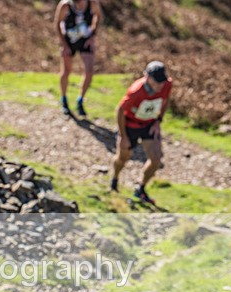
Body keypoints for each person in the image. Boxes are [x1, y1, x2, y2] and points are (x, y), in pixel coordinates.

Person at [110, 61, 173, 205]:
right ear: (147, 77)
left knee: (156, 159)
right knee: (123, 157)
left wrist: (158, 120)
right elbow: (120, 110)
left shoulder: (167, 85)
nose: (160, 86)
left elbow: (166, 100)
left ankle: (141, 188)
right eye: (157, 82)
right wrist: (123, 136)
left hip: (149, 124)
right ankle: (114, 180)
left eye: (162, 82)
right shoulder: (136, 91)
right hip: (130, 126)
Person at [54, 0, 102, 117]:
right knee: (66, 71)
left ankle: (80, 100)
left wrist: (93, 35)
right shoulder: (65, 5)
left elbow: (99, 16)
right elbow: (57, 23)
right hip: (69, 40)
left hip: (85, 40)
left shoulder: (92, 4)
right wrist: (64, 44)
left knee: (89, 72)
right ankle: (64, 99)